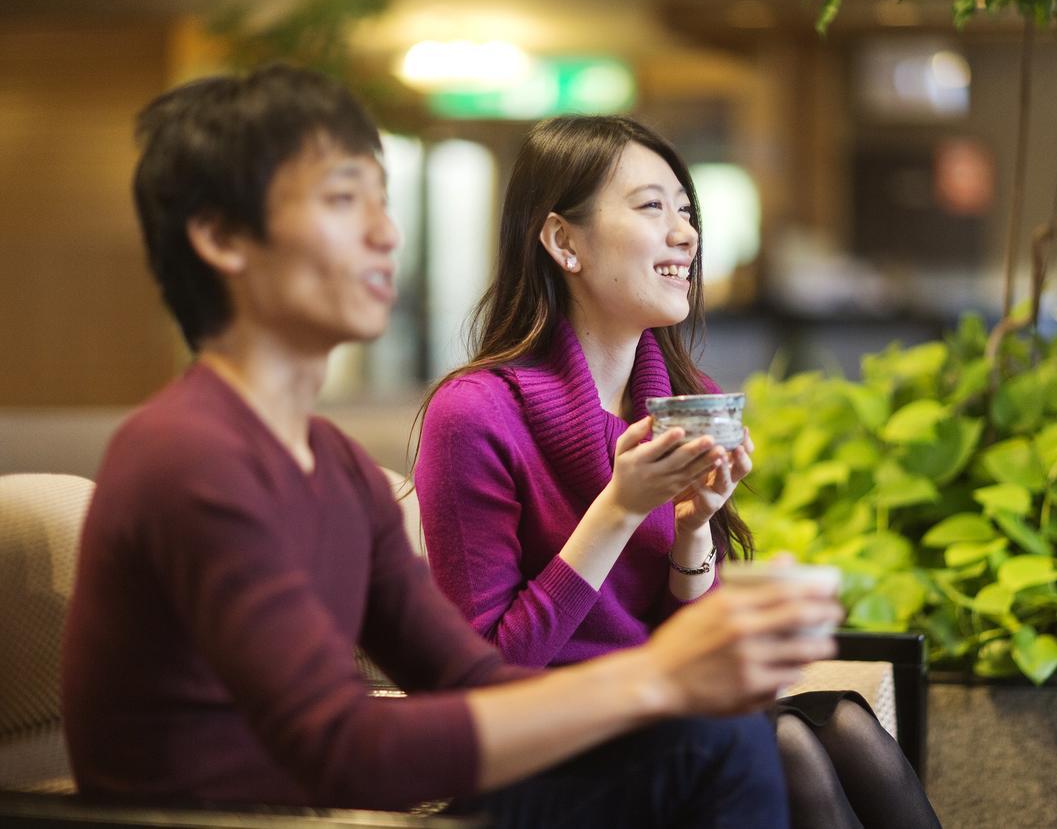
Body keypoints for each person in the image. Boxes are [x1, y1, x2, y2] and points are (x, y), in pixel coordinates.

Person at [59, 64, 843, 828]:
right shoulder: (188, 453)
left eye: (382, 200)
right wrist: (660, 677)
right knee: (723, 743)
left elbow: (477, 681)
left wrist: (694, 649)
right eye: (343, 200)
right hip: (247, 819)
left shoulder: (332, 464)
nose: (387, 232)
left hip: (332, 812)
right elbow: (341, 747)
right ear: (222, 237)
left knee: (754, 734)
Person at [414, 115, 941, 829]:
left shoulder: (674, 404)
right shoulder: (475, 414)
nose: (686, 234)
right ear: (563, 241)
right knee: (780, 742)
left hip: (663, 726)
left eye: (686, 211)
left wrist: (694, 534)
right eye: (651, 206)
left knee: (845, 724)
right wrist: (618, 510)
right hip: (536, 758)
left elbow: (685, 653)